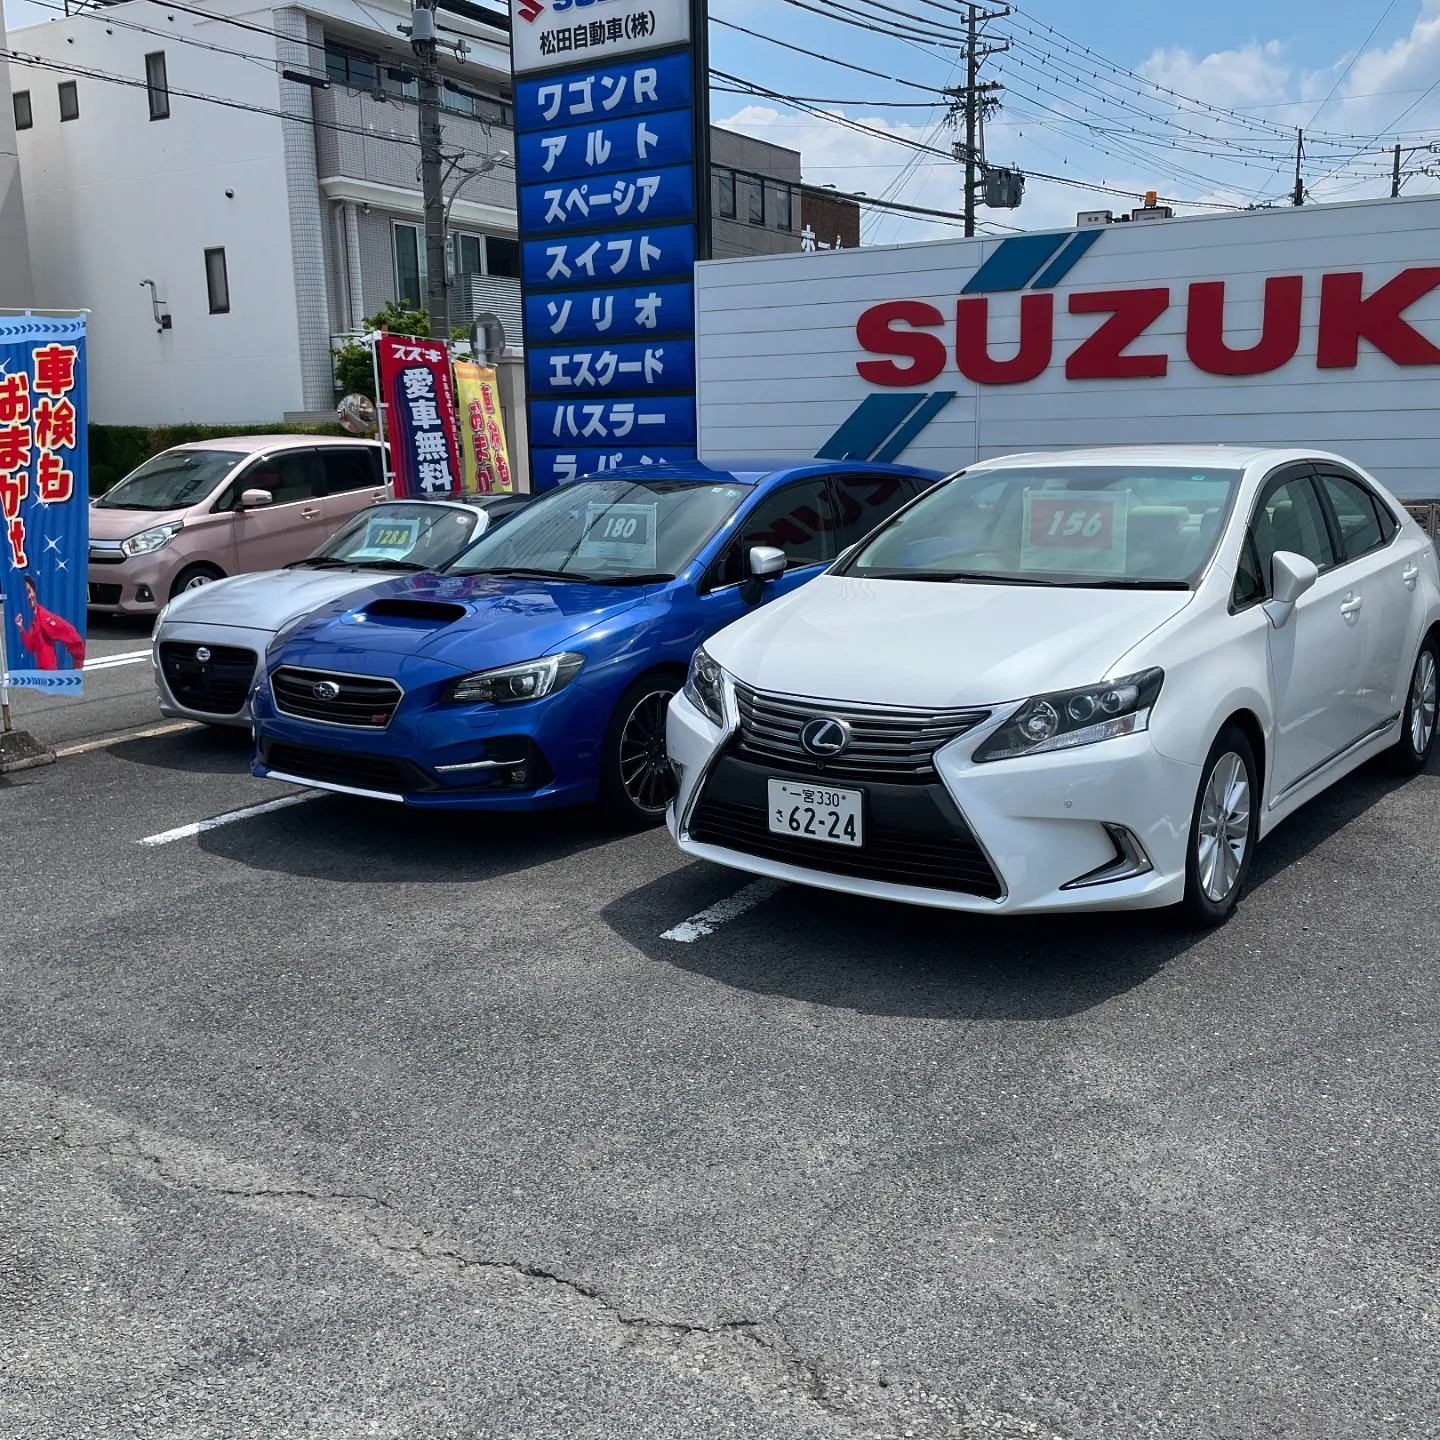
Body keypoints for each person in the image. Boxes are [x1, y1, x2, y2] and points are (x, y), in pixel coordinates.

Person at [12, 573, 85, 671]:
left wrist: (78, 661)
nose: (29, 596)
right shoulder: (35, 620)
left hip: (50, 671)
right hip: (41, 671)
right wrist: (21, 628)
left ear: (35, 592)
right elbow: (31, 647)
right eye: (27, 593)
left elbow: (68, 631)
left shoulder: (44, 617)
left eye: (30, 591)